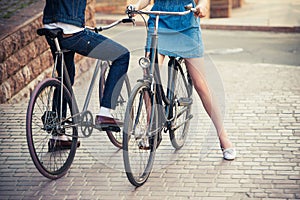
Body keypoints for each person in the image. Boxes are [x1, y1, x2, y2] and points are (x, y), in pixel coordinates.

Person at [128, 0, 236, 160]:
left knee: (200, 84)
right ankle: (152, 125)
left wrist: (202, 7)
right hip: (160, 21)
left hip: (186, 22)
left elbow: (204, 1)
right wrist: (136, 7)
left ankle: (223, 136)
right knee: (149, 72)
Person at [43, 0, 130, 150]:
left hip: (50, 26)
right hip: (71, 29)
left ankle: (58, 134)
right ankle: (105, 112)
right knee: (122, 56)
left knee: (66, 76)